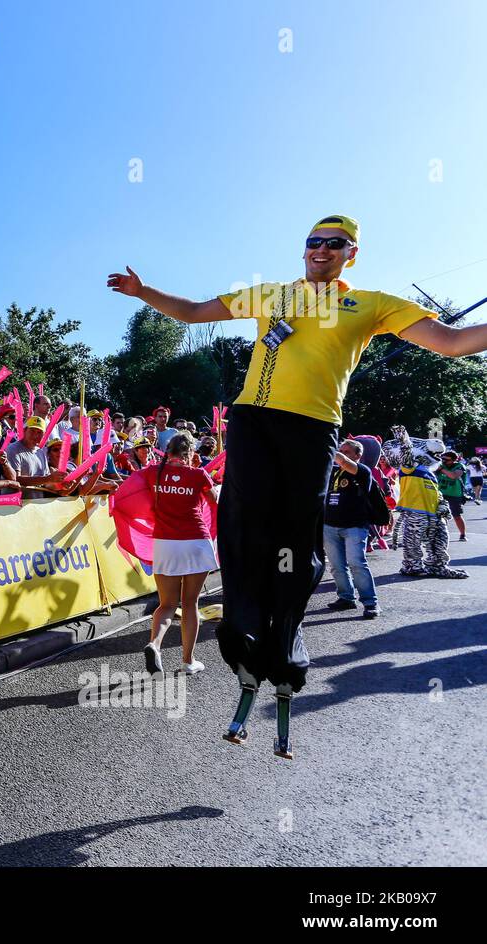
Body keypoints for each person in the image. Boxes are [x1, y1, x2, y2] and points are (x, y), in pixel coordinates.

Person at [109, 213, 487, 759]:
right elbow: (192, 312)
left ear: (350, 253)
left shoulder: (373, 304)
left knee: (295, 536)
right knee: (245, 525)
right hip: (252, 420)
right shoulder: (271, 295)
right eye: (313, 241)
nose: (321, 250)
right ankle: (243, 629)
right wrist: (145, 293)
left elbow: (450, 343)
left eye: (334, 244)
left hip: (312, 427)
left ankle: (286, 634)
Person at [140, 433, 218, 678]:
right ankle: (188, 660)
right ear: (190, 454)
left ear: (167, 450)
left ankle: (155, 644)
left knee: (166, 605)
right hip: (195, 540)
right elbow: (214, 501)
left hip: (165, 542)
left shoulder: (153, 472)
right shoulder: (198, 474)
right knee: (190, 602)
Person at [387, 427, 467, 579]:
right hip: (415, 512)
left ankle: (438, 565)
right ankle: (412, 566)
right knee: (413, 541)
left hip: (434, 513)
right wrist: (404, 440)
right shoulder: (409, 468)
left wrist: (442, 504)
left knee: (441, 539)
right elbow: (407, 455)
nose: (441, 459)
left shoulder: (430, 471)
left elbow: (434, 492)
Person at [322, 438, 381, 619]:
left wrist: (328, 446)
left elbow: (345, 462)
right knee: (337, 567)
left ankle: (371, 603)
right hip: (330, 525)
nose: (341, 454)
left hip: (354, 526)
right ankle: (346, 598)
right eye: (341, 450)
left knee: (357, 564)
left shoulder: (363, 471)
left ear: (358, 455)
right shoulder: (333, 473)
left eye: (346, 451)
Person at [436, 449, 468, 541]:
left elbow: (454, 476)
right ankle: (441, 535)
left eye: (446, 460)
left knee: (456, 516)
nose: (444, 461)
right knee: (439, 516)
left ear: (454, 460)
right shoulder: (440, 465)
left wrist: (441, 469)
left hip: (455, 495)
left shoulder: (460, 466)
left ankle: (462, 534)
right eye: (443, 459)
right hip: (440, 494)